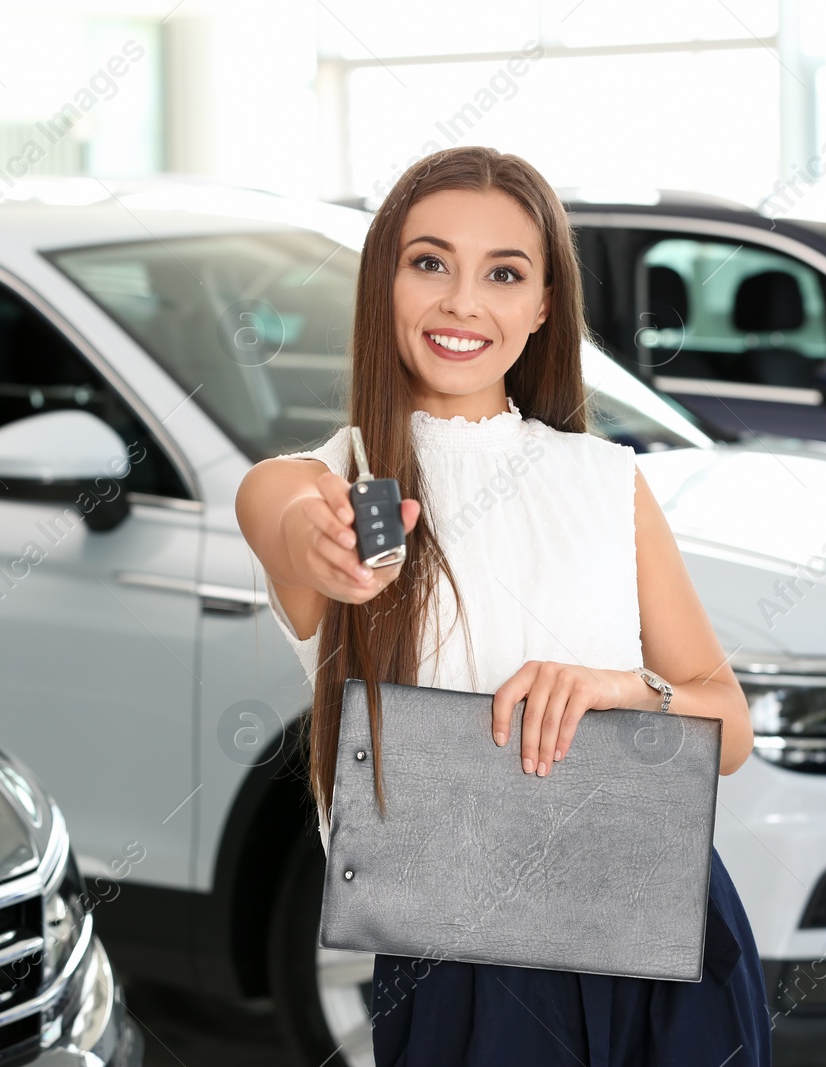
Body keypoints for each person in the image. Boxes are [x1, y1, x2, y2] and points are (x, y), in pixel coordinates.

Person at [236, 145, 770, 1067]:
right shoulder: (327, 482)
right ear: (384, 282)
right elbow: (285, 517)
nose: (463, 302)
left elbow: (728, 726)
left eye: (504, 273)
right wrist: (325, 546)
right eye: (429, 262)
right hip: (465, 966)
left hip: (662, 929)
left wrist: (626, 691)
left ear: (542, 305)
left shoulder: (608, 479)